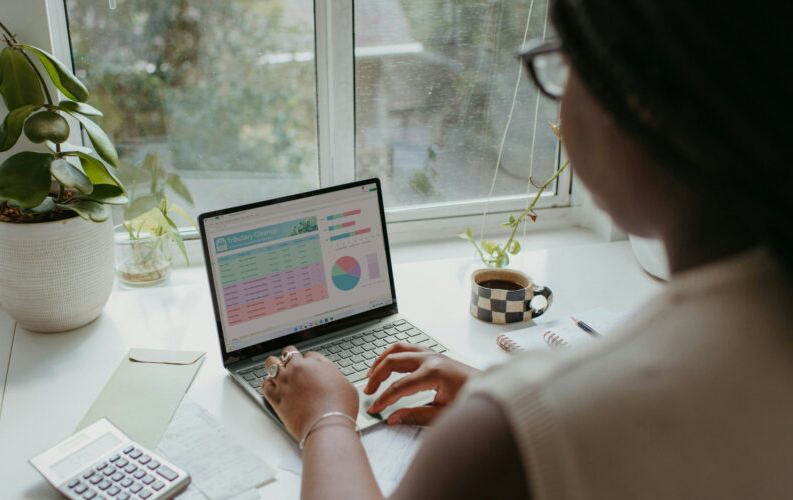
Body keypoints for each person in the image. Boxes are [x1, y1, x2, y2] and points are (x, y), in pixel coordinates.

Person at [260, 0, 793, 498]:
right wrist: (489, 390)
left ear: (640, 99)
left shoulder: (515, 427)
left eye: (562, 64)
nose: (558, 111)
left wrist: (325, 418)